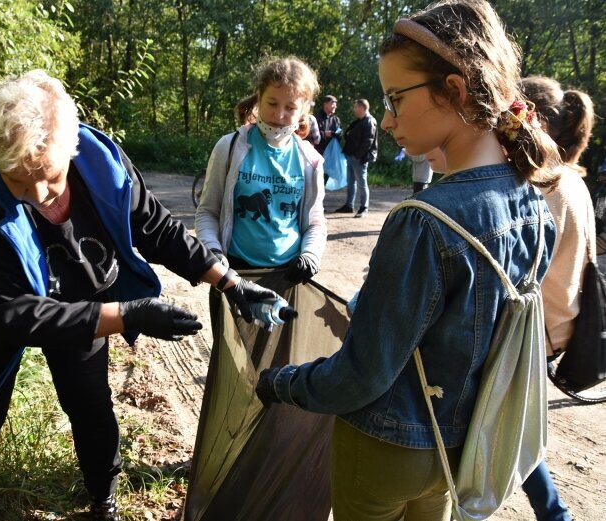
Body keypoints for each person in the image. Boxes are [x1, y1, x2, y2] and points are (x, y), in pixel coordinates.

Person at [0, 70, 279, 521]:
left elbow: (154, 226)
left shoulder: (100, 162)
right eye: (17, 181)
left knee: (89, 403)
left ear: (69, 149)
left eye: (49, 176)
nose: (36, 195)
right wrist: (130, 315)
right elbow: (11, 314)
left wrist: (229, 281)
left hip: (82, 299)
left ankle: (102, 500)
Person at [255, 1, 560, 519]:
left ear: (456, 91)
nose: (389, 119)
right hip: (459, 450)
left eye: (396, 98)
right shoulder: (533, 203)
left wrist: (282, 382)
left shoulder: (424, 220)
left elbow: (361, 376)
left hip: (384, 447)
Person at [519, 75, 596, 521]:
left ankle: (556, 514)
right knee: (513, 427)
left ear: (540, 121)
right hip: (557, 325)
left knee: (504, 428)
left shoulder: (546, 186)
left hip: (535, 330)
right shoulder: (573, 180)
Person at [195, 56, 327, 284]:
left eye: (290, 107)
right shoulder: (229, 147)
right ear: (259, 98)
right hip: (233, 272)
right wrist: (213, 252)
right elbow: (207, 211)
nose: (279, 115)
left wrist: (310, 256)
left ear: (304, 108)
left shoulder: (311, 160)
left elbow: (315, 222)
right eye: (272, 103)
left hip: (288, 274)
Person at [334, 98, 378, 216]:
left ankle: (364, 208)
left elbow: (368, 141)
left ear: (362, 108)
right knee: (351, 182)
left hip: (359, 158)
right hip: (351, 156)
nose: (354, 110)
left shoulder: (369, 121)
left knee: (362, 183)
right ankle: (349, 205)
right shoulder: (360, 121)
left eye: (356, 107)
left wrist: (357, 156)